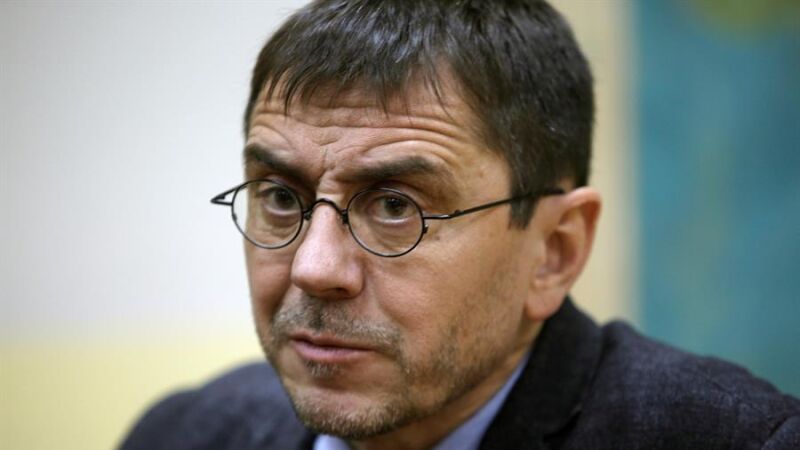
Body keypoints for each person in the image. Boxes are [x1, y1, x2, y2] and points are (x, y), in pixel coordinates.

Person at [120, 1, 800, 449]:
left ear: (554, 252)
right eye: (280, 196)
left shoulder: (735, 441)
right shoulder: (183, 436)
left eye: (396, 207)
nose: (314, 267)